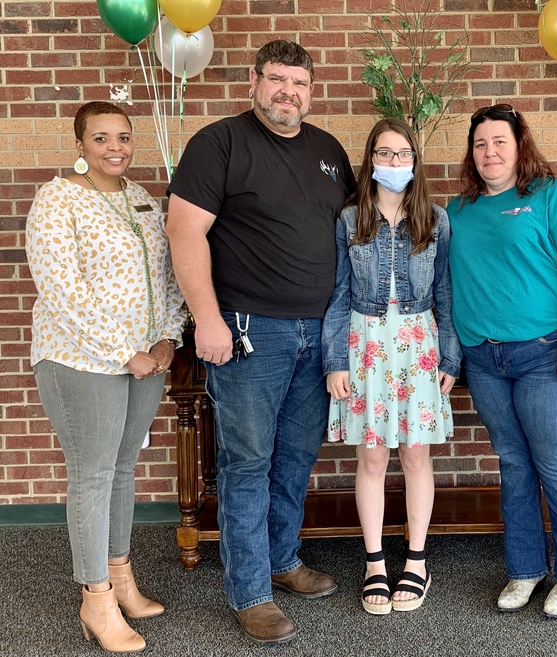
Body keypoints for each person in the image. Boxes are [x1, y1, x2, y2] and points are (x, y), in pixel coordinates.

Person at [165, 40, 356, 644]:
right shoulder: (218, 144)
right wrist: (208, 320)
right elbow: (184, 232)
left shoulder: (328, 151)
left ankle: (282, 559)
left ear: (310, 89)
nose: (287, 93)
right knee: (247, 463)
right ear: (255, 81)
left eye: (298, 83)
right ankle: (250, 592)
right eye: (276, 80)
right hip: (249, 332)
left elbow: (354, 232)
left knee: (296, 457)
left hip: (318, 333)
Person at [26, 100, 186, 653]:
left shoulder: (140, 199)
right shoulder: (58, 199)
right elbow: (62, 290)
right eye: (101, 138)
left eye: (123, 137)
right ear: (80, 144)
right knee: (93, 474)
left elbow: (165, 274)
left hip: (147, 359)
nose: (115, 147)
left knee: (122, 468)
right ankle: (95, 599)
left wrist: (168, 334)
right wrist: (124, 351)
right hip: (81, 358)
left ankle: (121, 577)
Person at [447, 104, 557, 619]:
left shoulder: (551, 197)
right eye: (480, 144)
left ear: (520, 146)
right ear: (471, 155)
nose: (490, 152)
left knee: (556, 462)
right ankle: (525, 568)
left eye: (499, 141)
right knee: (514, 463)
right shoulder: (458, 210)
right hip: (484, 359)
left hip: (545, 354)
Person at [322, 118, 460, 615]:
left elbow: (445, 292)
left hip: (419, 345)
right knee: (373, 459)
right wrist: (335, 360)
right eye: (386, 153)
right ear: (371, 160)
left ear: (415, 161)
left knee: (417, 455)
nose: (395, 162)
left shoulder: (436, 219)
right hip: (366, 345)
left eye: (404, 154)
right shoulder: (350, 219)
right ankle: (375, 562)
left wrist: (450, 356)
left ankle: (417, 561)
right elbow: (337, 294)